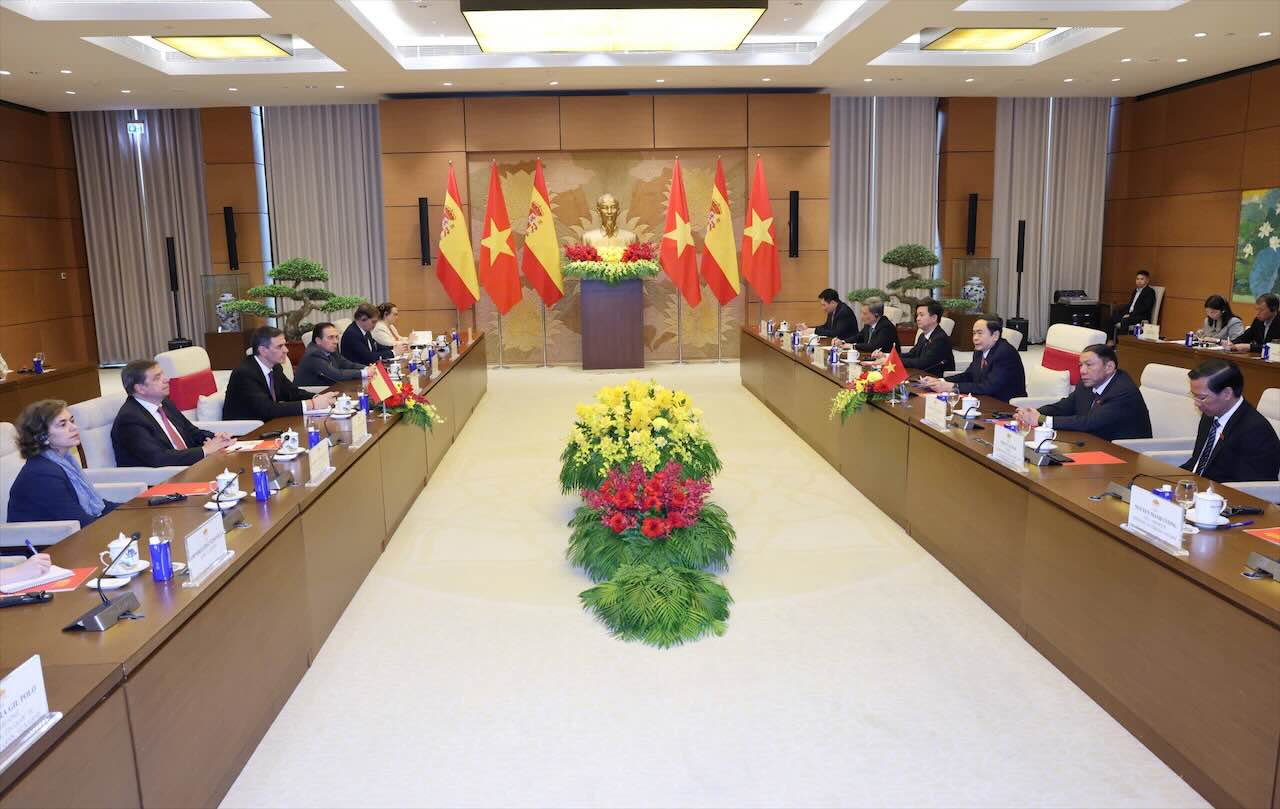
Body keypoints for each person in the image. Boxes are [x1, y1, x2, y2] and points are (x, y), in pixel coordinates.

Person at [7, 399, 120, 527]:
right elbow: (80, 523)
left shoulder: (65, 461)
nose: (74, 427)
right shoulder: (42, 475)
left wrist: (134, 508)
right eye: (62, 424)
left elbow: (99, 505)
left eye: (71, 421)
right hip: (46, 544)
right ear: (42, 436)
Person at [1015, 343, 1152, 441]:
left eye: (1089, 365)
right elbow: (1064, 407)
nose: (1082, 371)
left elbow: (1090, 422)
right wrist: (1030, 413)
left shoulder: (1123, 391)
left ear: (1109, 367)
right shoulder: (1088, 383)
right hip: (1093, 444)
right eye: (1081, 365)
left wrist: (1041, 419)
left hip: (1125, 453)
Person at [111, 360, 234, 467]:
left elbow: (191, 431)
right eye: (157, 378)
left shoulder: (165, 403)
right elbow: (158, 458)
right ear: (140, 388)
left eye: (163, 374)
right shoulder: (130, 419)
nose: (166, 380)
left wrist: (216, 439)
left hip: (189, 467)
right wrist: (204, 450)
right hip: (162, 481)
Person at [1180, 359, 1280, 482]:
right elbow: (1199, 462)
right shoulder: (1210, 414)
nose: (1196, 403)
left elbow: (1253, 488)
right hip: (1197, 487)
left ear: (1227, 393)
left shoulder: (1256, 431)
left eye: (1202, 397)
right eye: (1193, 395)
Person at [224, 327, 338, 421]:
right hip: (245, 433)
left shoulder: (275, 367)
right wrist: (312, 404)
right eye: (279, 346)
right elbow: (267, 409)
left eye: (285, 345)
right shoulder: (245, 373)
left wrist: (318, 398)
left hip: (270, 425)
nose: (286, 350)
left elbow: (291, 392)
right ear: (263, 350)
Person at [921, 316, 1026, 402]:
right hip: (984, 400)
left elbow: (988, 387)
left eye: (980, 333)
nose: (975, 338)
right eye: (974, 333)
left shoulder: (1005, 353)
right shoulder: (979, 350)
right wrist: (940, 381)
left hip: (1006, 406)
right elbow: (969, 375)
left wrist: (952, 387)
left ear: (995, 335)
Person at [296, 323, 368, 387]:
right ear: (318, 340)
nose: (336, 341)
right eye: (331, 337)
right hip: (310, 394)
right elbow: (336, 375)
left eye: (336, 337)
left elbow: (348, 364)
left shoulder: (330, 349)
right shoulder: (314, 354)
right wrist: (363, 373)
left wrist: (366, 368)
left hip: (328, 389)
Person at [892, 299, 954, 374]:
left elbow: (923, 363)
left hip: (936, 379)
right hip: (921, 375)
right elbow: (912, 354)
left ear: (934, 318)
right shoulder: (923, 335)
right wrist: (890, 356)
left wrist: (894, 360)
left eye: (921, 315)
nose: (917, 318)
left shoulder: (940, 338)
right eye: (917, 315)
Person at [1110, 269, 1156, 341]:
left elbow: (1145, 307)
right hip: (1131, 314)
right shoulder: (1135, 290)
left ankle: (1124, 343)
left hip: (1141, 316)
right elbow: (1131, 305)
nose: (1139, 281)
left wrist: (1130, 314)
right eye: (1137, 279)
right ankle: (1111, 340)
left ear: (1147, 280)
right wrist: (1122, 311)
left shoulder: (1150, 292)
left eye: (1142, 279)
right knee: (1113, 316)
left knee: (1125, 320)